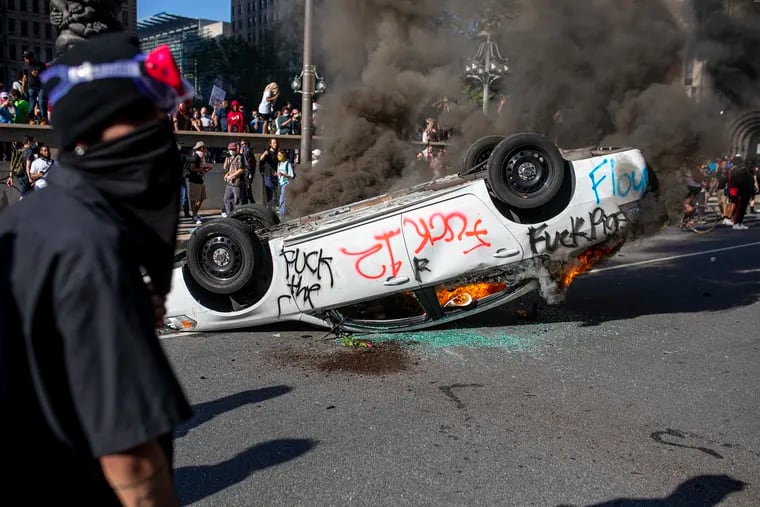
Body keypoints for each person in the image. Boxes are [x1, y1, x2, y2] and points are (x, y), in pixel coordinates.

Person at [0, 33, 192, 505]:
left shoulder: (29, 221)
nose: (161, 131)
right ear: (103, 120)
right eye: (149, 115)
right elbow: (130, 460)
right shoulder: (91, 246)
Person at [188, 141, 211, 224]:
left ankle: (195, 214)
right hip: (194, 181)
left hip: (200, 180)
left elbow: (199, 169)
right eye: (204, 148)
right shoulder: (195, 156)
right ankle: (194, 216)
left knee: (201, 198)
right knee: (194, 199)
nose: (205, 149)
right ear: (201, 148)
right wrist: (203, 169)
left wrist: (205, 170)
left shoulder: (201, 157)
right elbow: (192, 168)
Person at [223, 141, 245, 216]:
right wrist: (227, 174)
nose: (231, 151)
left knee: (238, 201)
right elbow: (226, 167)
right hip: (230, 183)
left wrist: (232, 176)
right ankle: (230, 215)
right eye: (230, 149)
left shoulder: (239, 157)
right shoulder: (231, 157)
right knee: (227, 199)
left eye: (232, 149)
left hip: (237, 183)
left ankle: (238, 216)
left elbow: (241, 169)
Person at [259, 137, 279, 206]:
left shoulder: (278, 153)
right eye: (273, 143)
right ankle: (268, 207)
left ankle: (274, 207)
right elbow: (261, 159)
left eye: (276, 143)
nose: (275, 144)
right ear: (270, 144)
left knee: (276, 192)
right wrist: (264, 154)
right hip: (268, 175)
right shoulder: (267, 152)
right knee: (269, 192)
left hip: (276, 175)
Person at [276, 148, 294, 218]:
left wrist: (283, 174)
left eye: (280, 155)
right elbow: (278, 173)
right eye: (278, 155)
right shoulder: (279, 163)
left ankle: (281, 216)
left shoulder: (287, 164)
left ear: (284, 155)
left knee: (282, 200)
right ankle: (285, 214)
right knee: (282, 200)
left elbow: (291, 175)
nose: (278, 156)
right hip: (280, 184)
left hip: (286, 184)